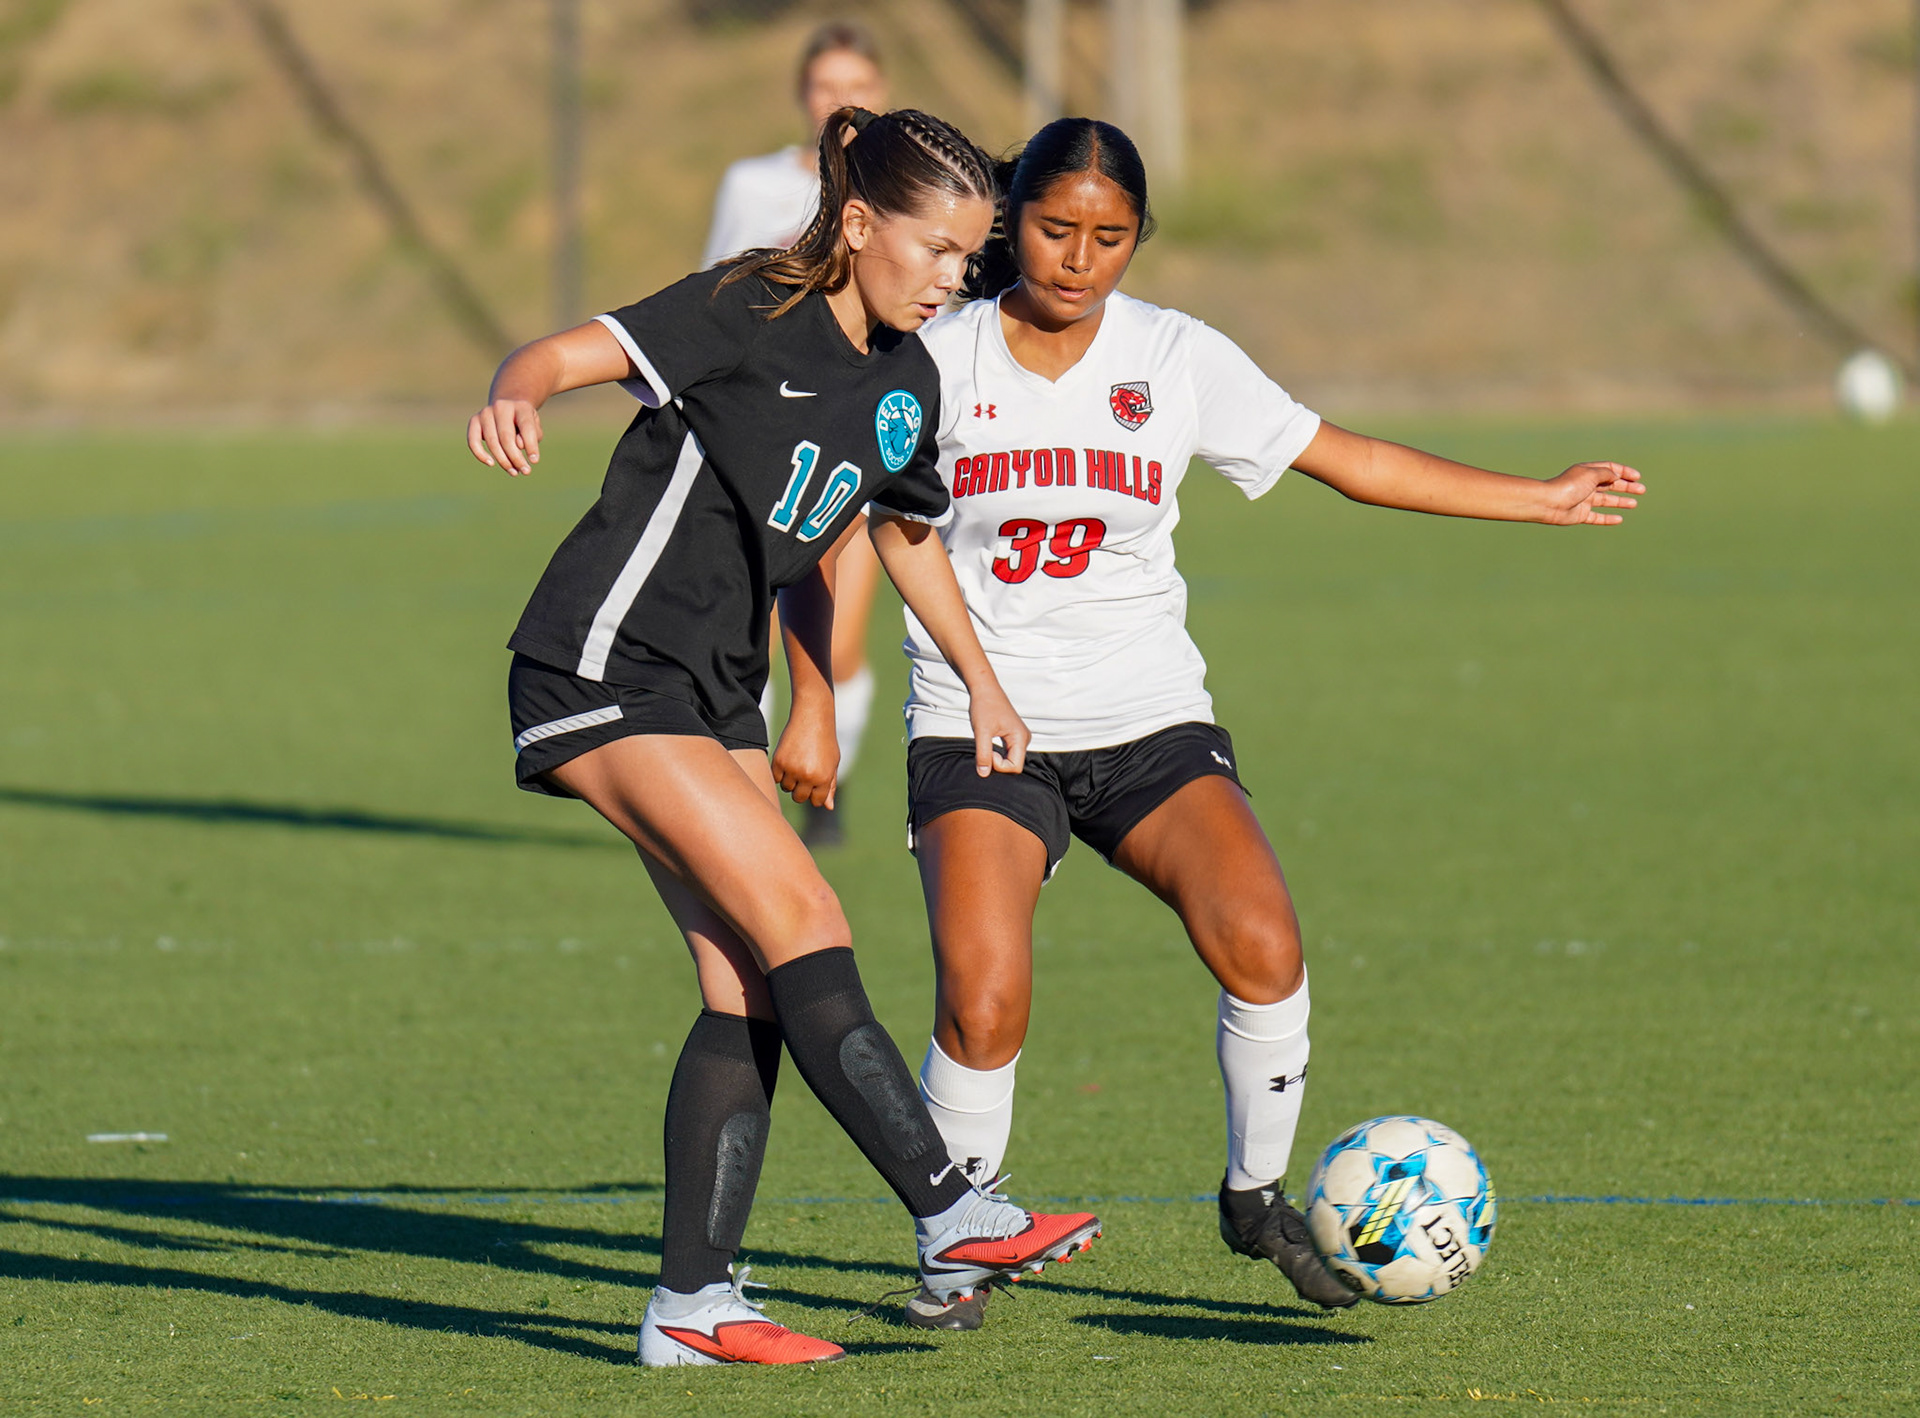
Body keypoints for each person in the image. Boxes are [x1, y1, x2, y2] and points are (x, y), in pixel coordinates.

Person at [888, 117, 1645, 1330]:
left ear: (1139, 239)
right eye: (1053, 228)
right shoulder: (933, 355)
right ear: (1008, 220)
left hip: (1148, 717)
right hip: (981, 725)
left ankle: (1254, 1197)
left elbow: (1343, 458)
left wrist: (1536, 497)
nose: (1079, 258)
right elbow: (859, 533)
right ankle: (953, 1246)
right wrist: (813, 697)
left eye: (1111, 236)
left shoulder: (1175, 355)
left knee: (1264, 941)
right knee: (984, 998)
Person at [466, 106, 1099, 1368]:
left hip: (713, 686)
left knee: (747, 980)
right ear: (859, 224)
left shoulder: (906, 382)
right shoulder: (746, 305)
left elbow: (890, 532)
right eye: (931, 249)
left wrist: (972, 680)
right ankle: (950, 1207)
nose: (951, 278)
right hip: (604, 659)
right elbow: (555, 353)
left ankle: (690, 1307)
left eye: (969, 258)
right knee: (804, 915)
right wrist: (513, 393)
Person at [704, 20, 891, 846]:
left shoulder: (910, 192)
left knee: (837, 644)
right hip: (767, 439)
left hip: (861, 438)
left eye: (856, 84)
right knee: (762, 642)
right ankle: (758, 796)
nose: (839, 100)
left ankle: (831, 774)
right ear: (801, 95)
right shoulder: (752, 186)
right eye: (823, 85)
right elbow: (714, 294)